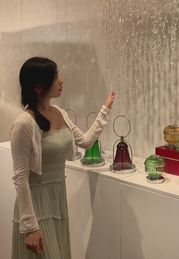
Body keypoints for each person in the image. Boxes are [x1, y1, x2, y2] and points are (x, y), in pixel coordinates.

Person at [10, 57, 115, 258]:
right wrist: (30, 227)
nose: (61, 81)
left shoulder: (58, 112)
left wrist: (105, 110)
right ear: (39, 87)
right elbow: (20, 178)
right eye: (56, 76)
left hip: (57, 201)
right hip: (35, 207)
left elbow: (84, 141)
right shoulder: (23, 124)